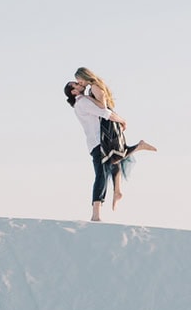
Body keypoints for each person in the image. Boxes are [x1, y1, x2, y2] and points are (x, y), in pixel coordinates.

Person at [65, 68, 156, 220]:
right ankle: (97, 213)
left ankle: (102, 207)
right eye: (76, 84)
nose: (79, 84)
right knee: (103, 172)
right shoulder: (82, 102)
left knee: (109, 167)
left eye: (78, 81)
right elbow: (104, 112)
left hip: (98, 142)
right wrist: (122, 120)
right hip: (98, 143)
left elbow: (103, 109)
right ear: (74, 92)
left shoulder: (84, 100)